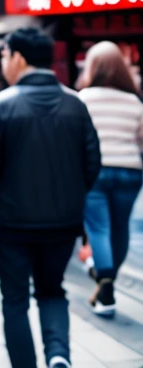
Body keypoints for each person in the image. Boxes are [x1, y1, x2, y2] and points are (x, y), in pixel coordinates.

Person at [0, 27, 101, 368]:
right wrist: (71, 196)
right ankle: (58, 355)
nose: (2, 62)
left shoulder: (0, 105)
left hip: (12, 223)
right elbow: (93, 163)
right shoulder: (75, 104)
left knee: (14, 300)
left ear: (19, 58)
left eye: (4, 55)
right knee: (53, 290)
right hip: (63, 222)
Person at [78, 41, 143, 317]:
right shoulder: (134, 102)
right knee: (120, 228)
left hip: (95, 172)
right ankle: (108, 281)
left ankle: (105, 287)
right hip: (130, 171)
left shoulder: (84, 99)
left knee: (99, 228)